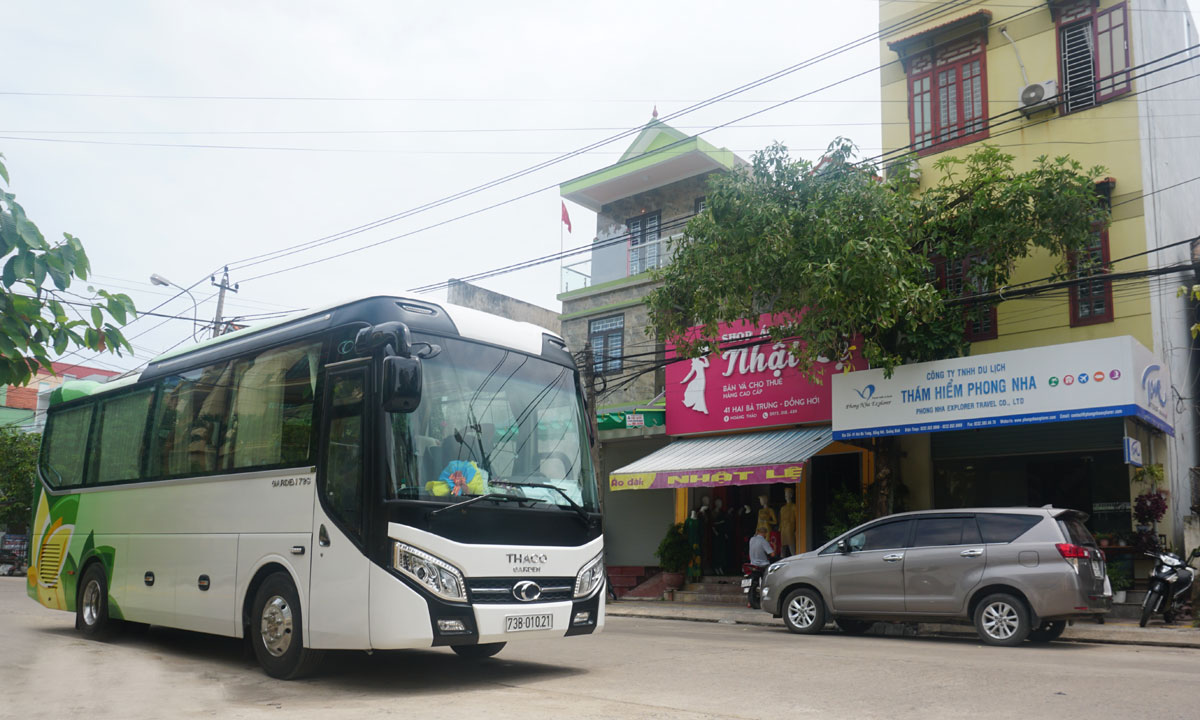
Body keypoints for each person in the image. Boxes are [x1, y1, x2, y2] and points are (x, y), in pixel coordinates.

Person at [746, 527, 776, 608]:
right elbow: (772, 554)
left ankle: (749, 602)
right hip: (762, 565)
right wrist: (773, 545)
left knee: (752, 583)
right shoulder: (763, 541)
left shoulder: (751, 539)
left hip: (752, 564)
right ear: (765, 533)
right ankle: (767, 599)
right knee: (768, 581)